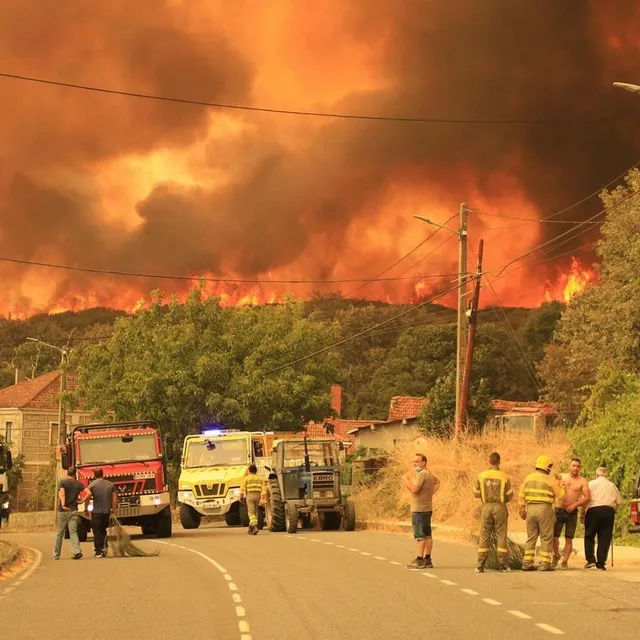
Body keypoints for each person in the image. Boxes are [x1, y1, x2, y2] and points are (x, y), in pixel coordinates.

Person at [518, 455, 565, 571]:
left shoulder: (528, 478)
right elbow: (560, 495)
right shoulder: (550, 479)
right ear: (548, 466)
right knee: (546, 536)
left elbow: (521, 495)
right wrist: (562, 486)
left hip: (531, 509)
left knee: (531, 536)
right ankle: (545, 563)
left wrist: (522, 509)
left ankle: (527, 562)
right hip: (545, 509)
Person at [474, 452, 513, 573]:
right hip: (500, 507)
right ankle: (503, 565)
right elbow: (509, 495)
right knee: (501, 535)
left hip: (486, 507)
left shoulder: (481, 476)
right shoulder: (504, 477)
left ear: (489, 461)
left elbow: (476, 493)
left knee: (484, 534)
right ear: (499, 462)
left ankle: (480, 565)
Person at [552, 458, 590, 569]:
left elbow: (587, 497)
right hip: (559, 509)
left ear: (580, 468)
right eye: (573, 465)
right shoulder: (562, 477)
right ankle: (556, 555)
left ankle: (565, 561)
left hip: (572, 512)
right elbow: (551, 479)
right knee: (554, 536)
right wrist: (557, 477)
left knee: (569, 538)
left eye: (578, 466)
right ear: (569, 466)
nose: (575, 468)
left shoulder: (582, 481)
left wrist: (575, 505)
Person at [404, 453, 440, 569]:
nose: (414, 464)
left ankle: (419, 559)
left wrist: (406, 480)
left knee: (421, 535)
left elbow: (414, 489)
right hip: (427, 508)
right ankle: (427, 559)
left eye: (417, 461)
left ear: (423, 462)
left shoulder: (422, 474)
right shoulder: (429, 474)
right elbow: (438, 482)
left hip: (419, 509)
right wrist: (430, 493)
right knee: (428, 535)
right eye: (413, 462)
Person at [583, 467, 622, 570]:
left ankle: (591, 559)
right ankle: (601, 563)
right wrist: (614, 510)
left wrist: (583, 512)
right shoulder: (612, 485)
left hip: (593, 510)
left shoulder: (591, 484)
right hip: (608, 511)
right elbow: (619, 502)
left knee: (589, 534)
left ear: (596, 475)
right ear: (606, 476)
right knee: (605, 537)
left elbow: (586, 499)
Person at [53, 467, 87, 560]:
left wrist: (63, 504)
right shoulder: (78, 483)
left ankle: (56, 554)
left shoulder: (62, 482)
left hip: (63, 511)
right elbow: (88, 492)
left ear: (67, 473)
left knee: (60, 532)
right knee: (73, 532)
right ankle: (77, 552)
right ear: (75, 473)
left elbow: (62, 493)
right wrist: (82, 501)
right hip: (73, 510)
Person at [85, 469, 117, 558]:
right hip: (106, 512)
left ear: (94, 476)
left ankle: (98, 551)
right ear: (103, 474)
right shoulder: (111, 485)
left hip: (96, 512)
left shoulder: (92, 485)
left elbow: (87, 497)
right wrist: (113, 509)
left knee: (97, 531)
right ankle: (104, 547)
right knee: (103, 530)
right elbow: (114, 498)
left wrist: (86, 508)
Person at [241, 464, 266, 535]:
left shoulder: (247, 478)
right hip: (258, 496)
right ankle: (250, 528)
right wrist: (262, 497)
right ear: (256, 470)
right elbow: (263, 488)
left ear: (249, 470)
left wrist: (241, 496)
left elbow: (242, 488)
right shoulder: (260, 478)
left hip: (250, 495)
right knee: (255, 512)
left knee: (251, 512)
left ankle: (254, 526)